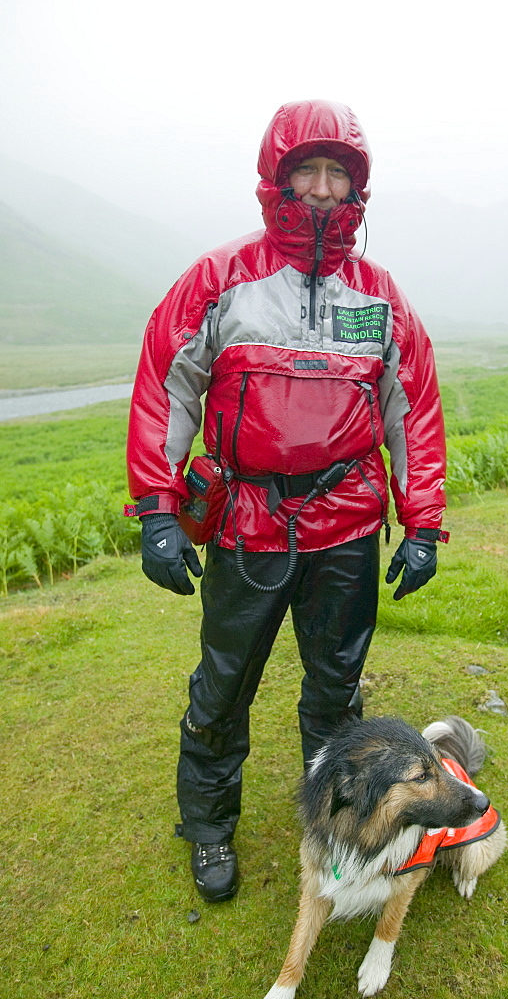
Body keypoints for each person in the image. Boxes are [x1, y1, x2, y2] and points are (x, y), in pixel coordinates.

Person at [126, 99, 447, 903]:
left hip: (345, 526)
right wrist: (159, 511)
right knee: (224, 684)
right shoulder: (218, 280)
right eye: (308, 170)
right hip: (246, 524)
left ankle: (338, 830)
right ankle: (206, 827)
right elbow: (169, 390)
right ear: (278, 178)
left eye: (339, 174)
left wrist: (424, 525)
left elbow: (412, 407)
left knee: (335, 693)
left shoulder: (381, 297)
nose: (323, 188)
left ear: (357, 189)